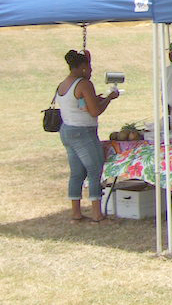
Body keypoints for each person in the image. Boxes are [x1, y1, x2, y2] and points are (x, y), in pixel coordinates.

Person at [56, 50, 119, 222]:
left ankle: (76, 212)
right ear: (83, 67)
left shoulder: (63, 84)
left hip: (67, 130)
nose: (91, 71)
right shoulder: (84, 84)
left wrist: (95, 99)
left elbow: (79, 104)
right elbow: (95, 111)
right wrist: (109, 98)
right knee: (94, 169)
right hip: (83, 132)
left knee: (76, 172)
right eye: (89, 67)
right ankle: (97, 213)